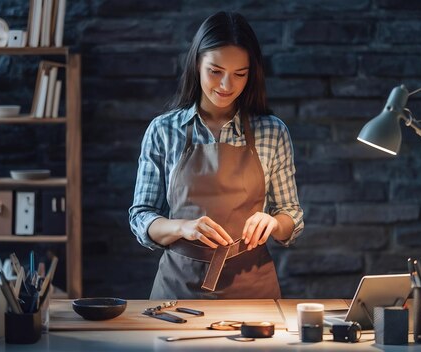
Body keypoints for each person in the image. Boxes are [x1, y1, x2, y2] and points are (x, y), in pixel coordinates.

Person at [129, 11, 304, 299]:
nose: (226, 85)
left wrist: (273, 222)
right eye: (215, 71)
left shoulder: (272, 131)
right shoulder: (163, 130)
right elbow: (141, 217)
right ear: (197, 63)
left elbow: (291, 216)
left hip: (253, 288)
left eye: (240, 74)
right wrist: (183, 227)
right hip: (177, 288)